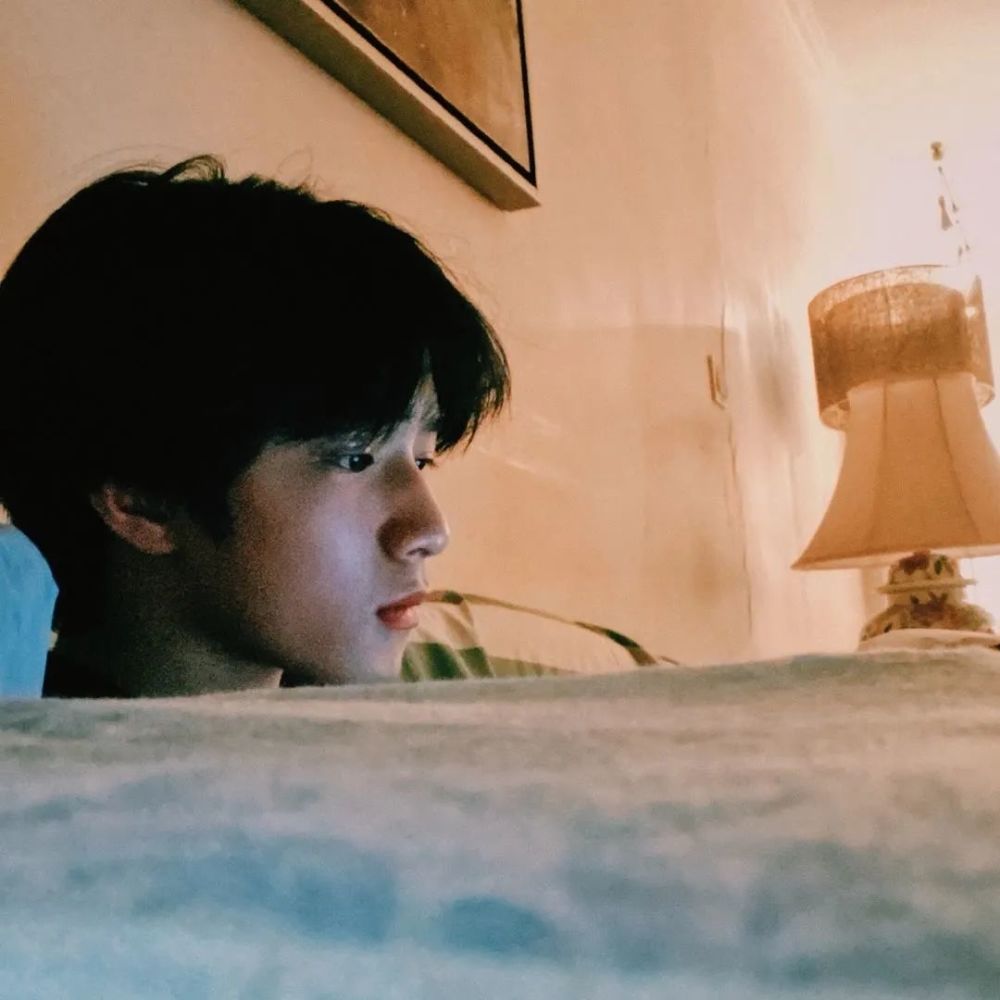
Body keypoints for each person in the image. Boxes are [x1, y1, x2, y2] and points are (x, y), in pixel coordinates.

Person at [0, 156, 510, 697]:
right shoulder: (33, 745)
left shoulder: (370, 730)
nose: (430, 531)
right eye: (355, 457)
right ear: (142, 500)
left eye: (422, 458)